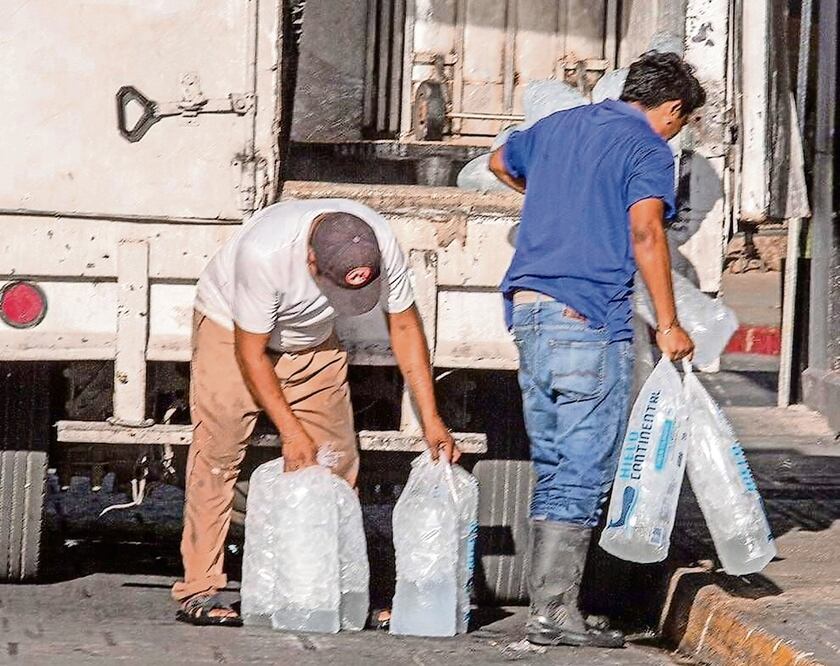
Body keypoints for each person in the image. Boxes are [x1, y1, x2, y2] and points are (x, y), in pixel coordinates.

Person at [489, 52, 705, 648]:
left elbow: (498, 161)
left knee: (555, 462)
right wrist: (669, 323)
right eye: (679, 122)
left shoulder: (559, 126)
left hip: (529, 312)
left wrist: (555, 196)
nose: (675, 132)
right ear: (671, 109)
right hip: (587, 315)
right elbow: (645, 232)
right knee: (582, 469)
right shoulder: (647, 149)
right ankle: (553, 615)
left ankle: (549, 611)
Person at [172, 198, 459, 626]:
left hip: (312, 340)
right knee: (218, 457)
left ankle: (343, 590)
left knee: (338, 462)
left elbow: (403, 325)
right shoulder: (264, 254)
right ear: (311, 260)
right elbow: (251, 354)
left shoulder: (378, 239)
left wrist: (431, 418)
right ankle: (199, 587)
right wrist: (290, 431)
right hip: (231, 331)